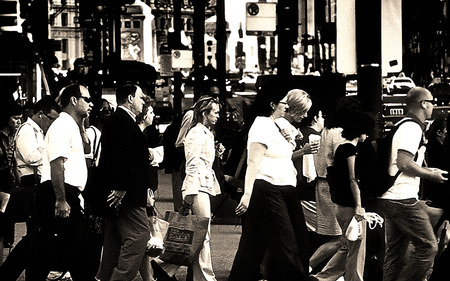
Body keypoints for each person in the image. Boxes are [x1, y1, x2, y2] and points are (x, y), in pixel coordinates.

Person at [229, 89, 315, 281]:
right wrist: (247, 194)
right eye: (283, 101)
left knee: (253, 245)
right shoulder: (262, 125)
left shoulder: (280, 127)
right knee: (288, 243)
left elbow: (281, 159)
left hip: (282, 187)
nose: (286, 105)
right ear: (274, 104)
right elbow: (254, 161)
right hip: (267, 187)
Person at [379, 87, 447, 281]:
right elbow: (404, 163)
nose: (434, 105)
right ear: (423, 104)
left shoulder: (402, 124)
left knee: (395, 253)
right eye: (432, 101)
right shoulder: (413, 128)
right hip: (402, 198)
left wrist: (429, 171)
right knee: (428, 246)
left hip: (389, 196)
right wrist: (430, 175)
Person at [26, 84, 93, 280]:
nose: (91, 104)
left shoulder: (71, 125)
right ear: (74, 100)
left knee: (48, 245)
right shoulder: (62, 126)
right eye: (86, 99)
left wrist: (82, 126)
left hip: (67, 192)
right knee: (54, 247)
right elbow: (57, 164)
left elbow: (86, 148)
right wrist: (61, 199)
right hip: (59, 191)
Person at [0, 97, 60, 280]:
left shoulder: (37, 131)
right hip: (29, 184)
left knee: (36, 234)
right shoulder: (27, 131)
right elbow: (31, 157)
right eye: (50, 118)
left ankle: (31, 271)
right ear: (40, 114)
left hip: (34, 183)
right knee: (34, 233)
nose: (51, 123)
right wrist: (47, 151)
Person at [96, 84, 151, 281]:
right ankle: (119, 278)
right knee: (139, 236)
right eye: (140, 97)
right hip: (126, 193)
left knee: (114, 241)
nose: (143, 101)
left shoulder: (120, 121)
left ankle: (103, 278)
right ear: (129, 98)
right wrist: (120, 187)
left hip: (122, 191)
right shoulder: (121, 121)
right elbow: (119, 156)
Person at [312, 113, 374, 281]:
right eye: (366, 132)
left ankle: (322, 278)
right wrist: (359, 205)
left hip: (340, 205)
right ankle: (354, 279)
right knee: (356, 250)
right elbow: (353, 179)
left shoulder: (340, 149)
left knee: (347, 245)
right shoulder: (350, 150)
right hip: (351, 206)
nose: (367, 136)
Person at [308, 97, 362, 275]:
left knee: (340, 237)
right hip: (335, 187)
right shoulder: (340, 134)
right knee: (342, 238)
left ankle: (327, 273)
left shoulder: (326, 130)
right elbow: (344, 165)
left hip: (323, 184)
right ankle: (308, 266)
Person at [181, 96, 222, 281]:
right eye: (216, 112)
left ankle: (200, 276)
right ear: (205, 113)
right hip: (197, 186)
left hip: (203, 185)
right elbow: (192, 164)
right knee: (201, 234)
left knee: (201, 234)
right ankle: (206, 277)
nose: (218, 116)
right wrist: (189, 193)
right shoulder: (196, 134)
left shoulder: (205, 133)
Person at [0, 100, 22, 264]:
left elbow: (12, 158)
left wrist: (15, 173)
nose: (18, 121)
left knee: (5, 226)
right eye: (15, 118)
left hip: (8, 184)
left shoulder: (14, 135)